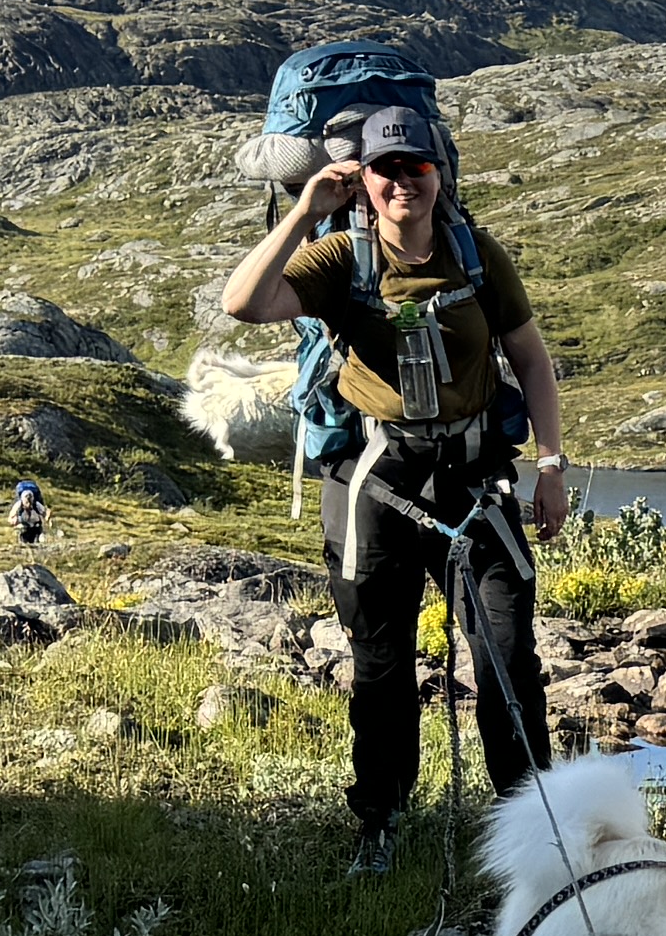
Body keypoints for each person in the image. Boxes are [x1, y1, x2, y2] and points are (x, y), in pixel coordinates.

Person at [216, 99, 573, 868]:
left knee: (507, 655)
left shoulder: (477, 255)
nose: (401, 181)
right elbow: (242, 302)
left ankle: (533, 832)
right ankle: (378, 824)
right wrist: (308, 210)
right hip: (376, 479)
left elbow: (533, 362)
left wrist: (550, 466)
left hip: (477, 478)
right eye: (384, 169)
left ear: (439, 174)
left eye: (416, 166)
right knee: (381, 658)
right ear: (363, 177)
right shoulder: (341, 260)